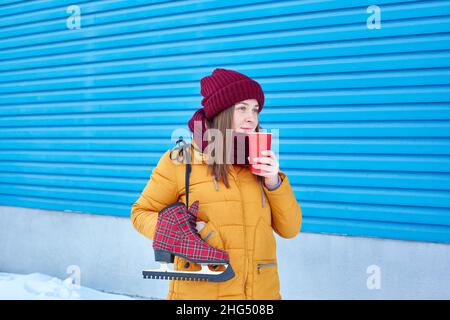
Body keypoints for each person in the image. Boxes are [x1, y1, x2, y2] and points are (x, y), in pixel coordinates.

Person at [131, 68, 302, 300]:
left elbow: (290, 229)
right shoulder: (182, 161)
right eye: (241, 108)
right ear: (221, 112)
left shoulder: (261, 162)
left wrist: (273, 182)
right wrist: (172, 231)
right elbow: (141, 212)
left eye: (255, 109)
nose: (251, 118)